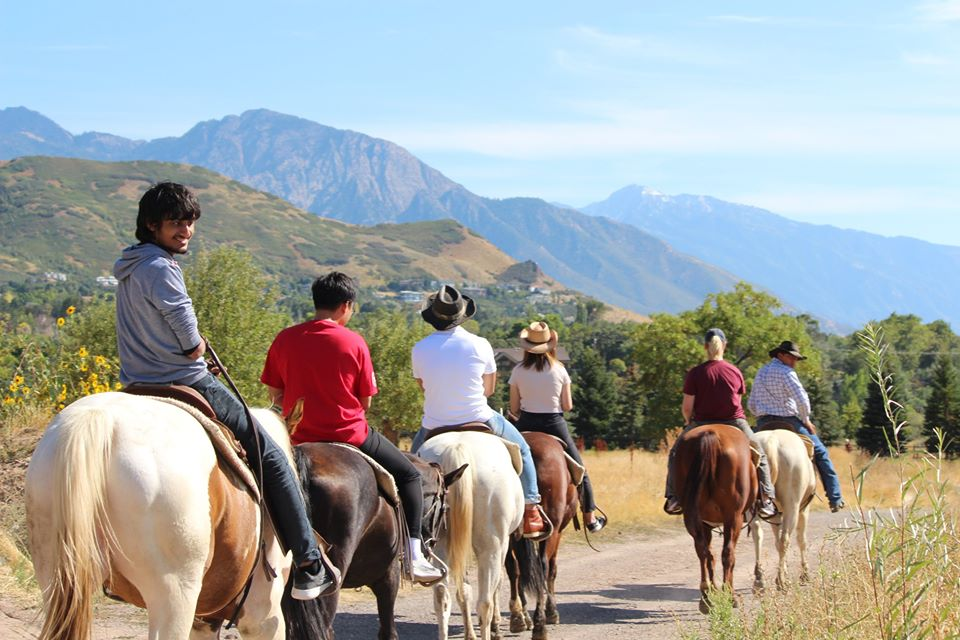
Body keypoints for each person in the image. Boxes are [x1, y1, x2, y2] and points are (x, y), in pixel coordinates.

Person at [114, 181, 335, 600]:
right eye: (175, 222)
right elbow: (183, 326)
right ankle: (308, 560)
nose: (185, 230)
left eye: (190, 222)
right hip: (183, 379)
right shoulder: (162, 267)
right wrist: (197, 348)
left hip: (137, 383)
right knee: (268, 449)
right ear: (151, 225)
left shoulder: (129, 267)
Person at [260, 272, 443, 583]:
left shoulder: (285, 338)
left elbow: (275, 394)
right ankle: (415, 554)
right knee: (410, 475)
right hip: (350, 434)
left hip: (297, 438)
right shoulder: (353, 341)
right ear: (346, 306)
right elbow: (365, 402)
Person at [410, 285, 548, 539]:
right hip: (479, 416)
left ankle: (409, 525)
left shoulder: (419, 348)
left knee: (408, 469)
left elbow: (423, 386)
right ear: (462, 315)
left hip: (433, 423)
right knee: (524, 451)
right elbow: (489, 389)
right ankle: (531, 509)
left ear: (434, 317)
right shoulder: (480, 344)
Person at [663, 328, 778, 518]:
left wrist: (688, 422)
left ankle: (673, 496)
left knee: (675, 453)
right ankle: (766, 498)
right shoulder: (734, 371)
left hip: (701, 422)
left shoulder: (695, 373)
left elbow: (686, 407)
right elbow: (737, 401)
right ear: (724, 345)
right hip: (734, 422)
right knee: (760, 453)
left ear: (705, 346)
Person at [508, 321, 606, 532]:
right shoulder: (559, 369)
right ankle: (590, 517)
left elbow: (514, 408)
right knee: (580, 471)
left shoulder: (518, 371)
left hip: (525, 422)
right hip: (554, 423)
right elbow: (568, 406)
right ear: (550, 345)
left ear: (527, 346)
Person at [749, 340, 846, 512]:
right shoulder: (787, 373)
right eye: (792, 357)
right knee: (821, 452)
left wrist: (759, 415)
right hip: (789, 421)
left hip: (763, 422)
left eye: (796, 359)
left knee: (749, 455)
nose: (794, 362)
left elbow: (751, 404)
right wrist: (806, 418)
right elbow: (802, 399)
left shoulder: (761, 372)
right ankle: (835, 497)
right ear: (780, 355)